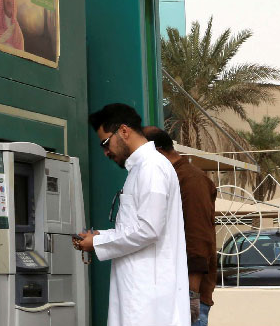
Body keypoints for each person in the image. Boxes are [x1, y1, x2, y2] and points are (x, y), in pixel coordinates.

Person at [74, 103, 189, 326]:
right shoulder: (141, 168)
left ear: (124, 131)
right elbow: (139, 226)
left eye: (106, 143)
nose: (105, 152)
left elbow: (149, 229)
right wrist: (101, 236)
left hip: (148, 302)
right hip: (140, 296)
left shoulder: (151, 168)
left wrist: (98, 241)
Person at [143, 126, 218, 326]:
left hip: (185, 296)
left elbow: (198, 238)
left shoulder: (191, 180)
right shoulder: (168, 176)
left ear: (157, 151)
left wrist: (191, 295)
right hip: (169, 294)